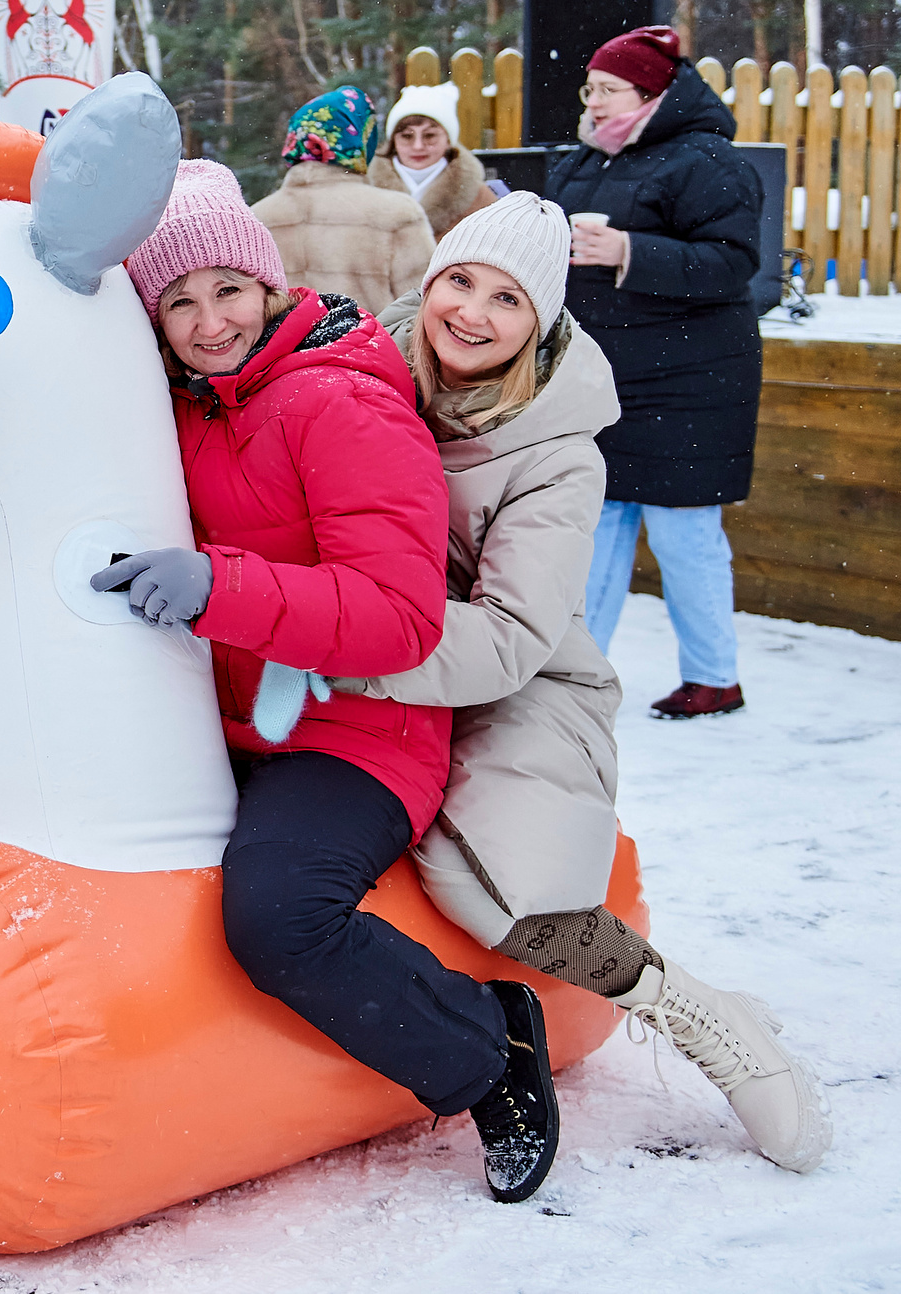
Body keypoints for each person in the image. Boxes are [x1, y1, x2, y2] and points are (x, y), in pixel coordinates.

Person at [91, 161, 562, 1203]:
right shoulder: (184, 404)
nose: (208, 320)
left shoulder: (336, 402)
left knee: (276, 917)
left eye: (226, 290)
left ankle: (490, 1053)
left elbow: (398, 620)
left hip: (359, 731)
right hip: (230, 717)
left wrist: (217, 587)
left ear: (267, 286)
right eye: (178, 300)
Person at [366, 192, 830, 1172]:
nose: (472, 314)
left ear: (540, 324)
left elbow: (506, 640)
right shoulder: (369, 371)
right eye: (458, 281)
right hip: (371, 653)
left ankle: (693, 1011)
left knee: (504, 891)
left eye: (507, 299)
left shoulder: (559, 453)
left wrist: (340, 642)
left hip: (517, 676)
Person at [547, 25, 765, 720]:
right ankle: (581, 674)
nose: (595, 100)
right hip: (608, 373)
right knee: (599, 522)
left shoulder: (708, 161)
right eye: (591, 88)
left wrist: (629, 250)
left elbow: (733, 263)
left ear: (653, 92)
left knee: (684, 531)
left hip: (690, 379)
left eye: (609, 89)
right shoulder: (587, 159)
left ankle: (714, 677)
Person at [252, 86, 435, 308]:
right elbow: (422, 310)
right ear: (362, 138)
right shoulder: (398, 213)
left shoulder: (256, 218)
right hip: (374, 343)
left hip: (284, 344)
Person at [368, 81, 497, 239]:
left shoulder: (479, 198)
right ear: (393, 141)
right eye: (407, 136)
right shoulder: (365, 188)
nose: (418, 146)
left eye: (430, 135)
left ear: (449, 141)